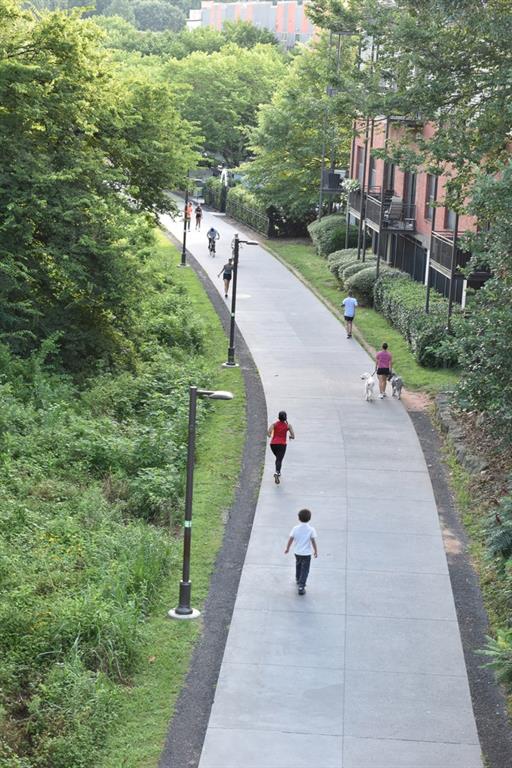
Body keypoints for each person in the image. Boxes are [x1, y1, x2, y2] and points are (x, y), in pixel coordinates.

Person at [284, 509, 318, 596]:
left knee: (298, 565)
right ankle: (301, 586)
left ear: (298, 518)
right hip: (306, 553)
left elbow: (291, 539)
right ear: (309, 518)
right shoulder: (311, 529)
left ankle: (298, 578)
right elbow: (313, 541)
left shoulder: (295, 528)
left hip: (297, 552)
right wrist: (315, 551)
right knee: (305, 569)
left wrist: (287, 548)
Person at [267, 410, 295, 484]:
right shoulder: (288, 426)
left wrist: (270, 435)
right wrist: (290, 436)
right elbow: (293, 436)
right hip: (282, 445)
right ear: (286, 417)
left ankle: (278, 472)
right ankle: (277, 473)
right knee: (279, 459)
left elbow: (269, 432)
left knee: (278, 459)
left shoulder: (274, 424)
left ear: (278, 417)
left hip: (273, 445)